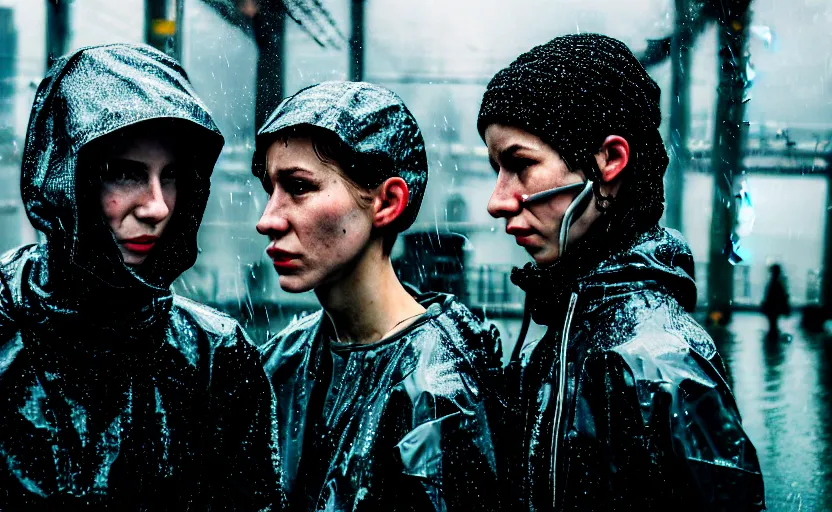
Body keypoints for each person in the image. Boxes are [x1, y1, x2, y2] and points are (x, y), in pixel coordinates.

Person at [477, 34, 765, 511]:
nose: (496, 201)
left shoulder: (662, 364)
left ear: (609, 160)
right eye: (495, 170)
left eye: (520, 165)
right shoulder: (561, 330)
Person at [0, 44, 277, 509]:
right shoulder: (6, 324)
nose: (158, 207)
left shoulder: (214, 358)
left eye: (169, 176)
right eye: (127, 175)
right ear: (67, 179)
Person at [254, 81, 502, 511]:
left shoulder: (442, 388)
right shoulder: (278, 365)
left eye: (297, 187)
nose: (267, 219)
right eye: (269, 189)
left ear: (387, 202)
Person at [762, 263, 790, 336]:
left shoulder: (773, 283)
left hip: (772, 308)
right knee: (773, 324)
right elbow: (782, 296)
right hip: (775, 308)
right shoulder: (778, 283)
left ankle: (772, 337)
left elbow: (768, 296)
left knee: (772, 324)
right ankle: (773, 336)